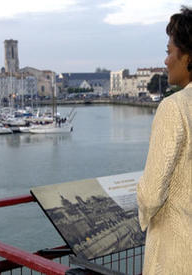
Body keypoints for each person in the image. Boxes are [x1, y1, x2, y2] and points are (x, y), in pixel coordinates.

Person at [136, 6, 192, 275]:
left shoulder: (175, 107)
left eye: (170, 52)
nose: (166, 61)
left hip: (178, 254)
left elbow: (150, 195)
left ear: (188, 57)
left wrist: (144, 214)